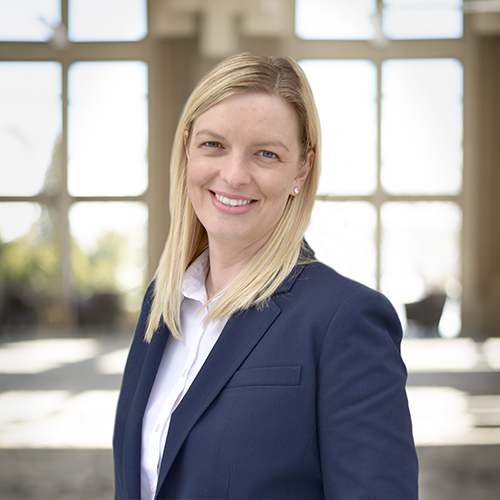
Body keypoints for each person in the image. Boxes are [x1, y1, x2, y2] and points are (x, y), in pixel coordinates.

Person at [113, 52, 418, 500]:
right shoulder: (163, 303)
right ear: (186, 149)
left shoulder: (345, 320)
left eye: (266, 154)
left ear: (301, 169)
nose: (234, 175)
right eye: (213, 145)